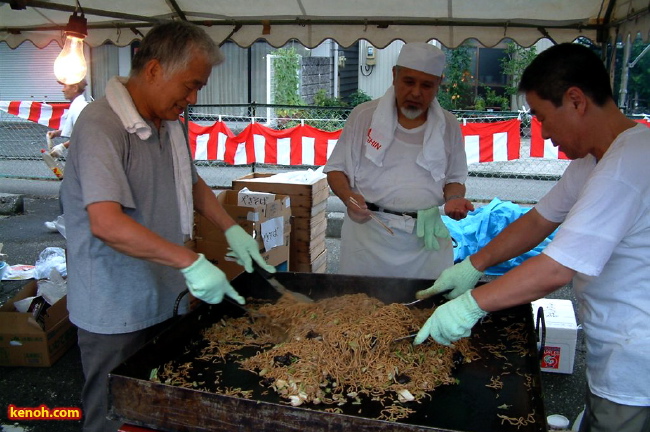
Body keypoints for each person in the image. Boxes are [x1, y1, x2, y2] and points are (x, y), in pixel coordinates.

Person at [413, 43, 650, 432]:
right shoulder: (595, 158)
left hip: (635, 362)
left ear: (575, 100)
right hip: (614, 344)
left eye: (541, 115)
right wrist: (475, 264)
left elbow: (556, 268)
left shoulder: (626, 165)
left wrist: (470, 305)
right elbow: (539, 220)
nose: (542, 132)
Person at [60, 21, 276, 432]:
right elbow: (106, 223)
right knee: (113, 415)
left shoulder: (169, 123)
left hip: (164, 296)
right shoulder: (101, 124)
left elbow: (189, 180)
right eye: (190, 85)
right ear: (155, 70)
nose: (192, 99)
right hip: (114, 307)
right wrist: (191, 262)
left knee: (161, 408)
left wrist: (230, 227)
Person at [324, 42, 474, 279]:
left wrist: (454, 199)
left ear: (438, 85)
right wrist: (348, 197)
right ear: (395, 75)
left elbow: (454, 179)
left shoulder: (448, 125)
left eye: (426, 85)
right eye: (409, 82)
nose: (416, 92)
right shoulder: (364, 116)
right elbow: (336, 169)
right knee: (361, 308)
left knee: (425, 307)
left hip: (424, 239)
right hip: (368, 234)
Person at [44, 78, 89, 232]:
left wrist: (62, 146)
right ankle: (67, 222)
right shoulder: (77, 105)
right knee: (71, 190)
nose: (62, 90)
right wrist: (57, 134)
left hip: (85, 157)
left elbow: (82, 133)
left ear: (75, 87)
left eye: (65, 86)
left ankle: (67, 223)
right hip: (81, 156)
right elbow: (75, 130)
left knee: (69, 190)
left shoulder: (81, 107)